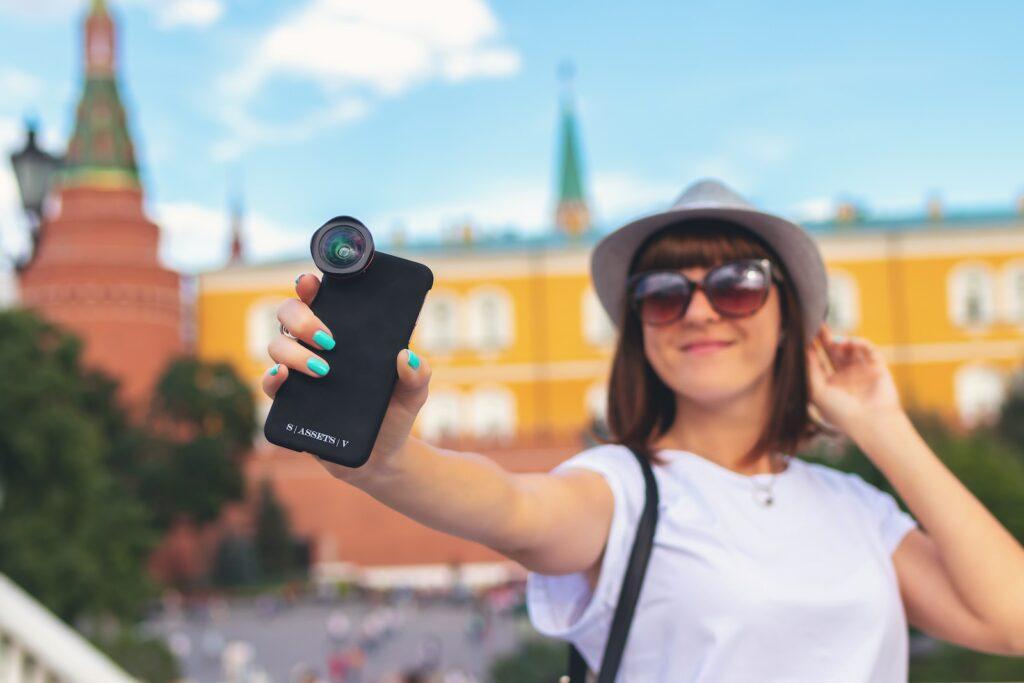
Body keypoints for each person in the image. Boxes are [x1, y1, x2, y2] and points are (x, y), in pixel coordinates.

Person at [263, 179, 1024, 680]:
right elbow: (509, 505)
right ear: (640, 332)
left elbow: (1011, 619)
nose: (698, 309)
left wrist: (880, 423)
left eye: (737, 286)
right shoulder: (623, 491)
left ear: (791, 317)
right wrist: (386, 457)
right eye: (664, 294)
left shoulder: (857, 510)